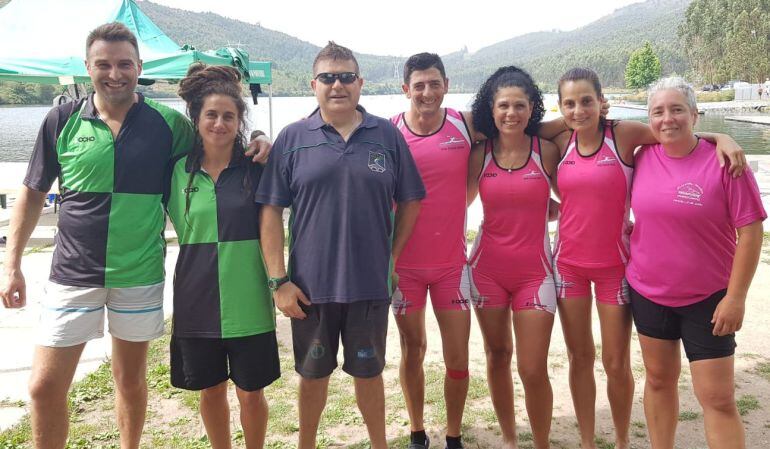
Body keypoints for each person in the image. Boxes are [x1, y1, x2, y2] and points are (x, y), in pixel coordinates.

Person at [0, 23, 193, 449]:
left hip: (139, 272)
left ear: (139, 67)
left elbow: (218, 146)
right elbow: (32, 193)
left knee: (130, 381)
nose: (115, 73)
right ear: (87, 68)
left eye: (125, 64)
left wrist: (255, 140)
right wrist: (11, 265)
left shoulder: (169, 124)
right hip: (73, 273)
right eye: (103, 64)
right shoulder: (62, 119)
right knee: (43, 388)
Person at [549, 68, 746, 449]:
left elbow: (670, 131)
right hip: (569, 264)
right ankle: (588, 442)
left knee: (616, 362)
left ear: (602, 102)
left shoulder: (622, 135)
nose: (578, 110)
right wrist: (568, 117)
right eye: (569, 103)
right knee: (579, 358)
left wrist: (720, 136)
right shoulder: (559, 140)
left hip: (616, 267)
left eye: (587, 101)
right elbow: (520, 131)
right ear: (560, 107)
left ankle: (623, 441)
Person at [256, 42, 425, 449]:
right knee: (313, 376)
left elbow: (412, 201)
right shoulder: (293, 138)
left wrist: (392, 257)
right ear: (313, 84)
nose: (338, 85)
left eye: (347, 77)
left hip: (368, 285)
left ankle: (379, 444)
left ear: (360, 83)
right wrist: (279, 281)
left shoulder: (386, 134)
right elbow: (270, 214)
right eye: (328, 77)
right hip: (310, 288)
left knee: (369, 374)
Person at [627, 76, 765, 449]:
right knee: (658, 381)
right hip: (648, 290)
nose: (667, 119)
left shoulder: (725, 162)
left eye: (677, 110)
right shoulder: (640, 158)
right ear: (649, 118)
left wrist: (735, 298)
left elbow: (750, 234)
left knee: (717, 398)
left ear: (695, 115)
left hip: (709, 299)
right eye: (658, 111)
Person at [166, 63, 280, 449]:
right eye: (210, 115)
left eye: (228, 116)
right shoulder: (176, 170)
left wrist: (266, 138)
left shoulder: (257, 168)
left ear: (239, 120)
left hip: (248, 298)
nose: (219, 123)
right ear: (196, 119)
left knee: (251, 393)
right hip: (196, 300)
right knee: (210, 390)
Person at [465, 66, 559, 449]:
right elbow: (453, 205)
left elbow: (582, 191)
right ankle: (509, 440)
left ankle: (541, 443)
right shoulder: (478, 154)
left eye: (520, 106)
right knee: (498, 355)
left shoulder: (546, 151)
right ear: (492, 108)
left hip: (535, 273)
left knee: (533, 368)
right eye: (503, 105)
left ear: (532, 108)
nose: (511, 113)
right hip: (485, 269)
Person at [390, 53, 473, 449]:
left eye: (434, 83)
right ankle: (417, 429)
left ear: (446, 84)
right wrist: (261, 140)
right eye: (419, 85)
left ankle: (454, 434)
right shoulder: (388, 133)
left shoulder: (464, 123)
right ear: (406, 88)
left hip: (451, 267)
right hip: (404, 267)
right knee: (413, 350)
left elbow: (523, 125)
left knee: (457, 357)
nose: (427, 92)